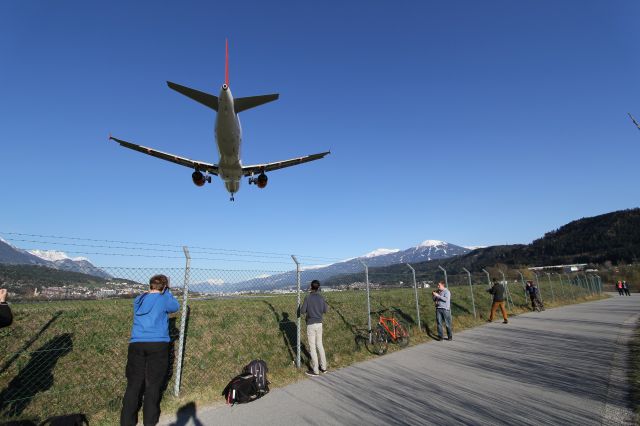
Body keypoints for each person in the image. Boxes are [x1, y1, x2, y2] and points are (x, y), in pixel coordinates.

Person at [121, 274, 180, 426]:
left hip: (136, 344)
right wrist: (166, 291)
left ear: (150, 285)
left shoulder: (139, 299)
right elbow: (175, 307)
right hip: (158, 344)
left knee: (133, 384)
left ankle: (127, 422)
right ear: (164, 286)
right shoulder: (164, 299)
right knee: (152, 385)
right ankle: (149, 421)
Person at [300, 279, 328, 377]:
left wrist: (300, 307)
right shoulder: (321, 297)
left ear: (311, 287)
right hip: (319, 323)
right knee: (320, 345)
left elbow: (303, 311)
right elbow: (325, 310)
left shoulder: (308, 297)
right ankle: (324, 367)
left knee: (312, 347)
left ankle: (315, 370)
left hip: (311, 324)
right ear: (318, 287)